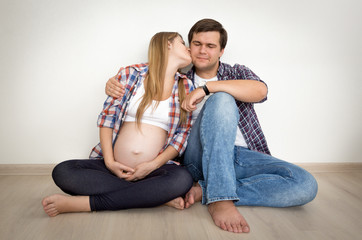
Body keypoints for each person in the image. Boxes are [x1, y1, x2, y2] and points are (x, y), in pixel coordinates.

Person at [105, 19, 318, 234]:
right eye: (197, 44)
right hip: (197, 158)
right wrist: (114, 82)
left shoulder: (236, 73)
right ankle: (221, 200)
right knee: (223, 99)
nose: (202, 50)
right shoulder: (179, 78)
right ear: (189, 46)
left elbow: (260, 91)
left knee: (305, 185)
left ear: (221, 51)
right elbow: (148, 73)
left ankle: (206, 191)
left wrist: (207, 89)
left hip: (239, 156)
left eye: (210, 46)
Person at [42, 32, 195, 217]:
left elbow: (182, 135)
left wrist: (152, 165)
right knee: (63, 171)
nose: (188, 48)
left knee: (182, 179)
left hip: (155, 170)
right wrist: (110, 162)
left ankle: (88, 203)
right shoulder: (131, 74)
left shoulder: (187, 87)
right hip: (113, 168)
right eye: (182, 42)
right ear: (167, 44)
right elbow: (108, 118)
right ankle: (154, 196)